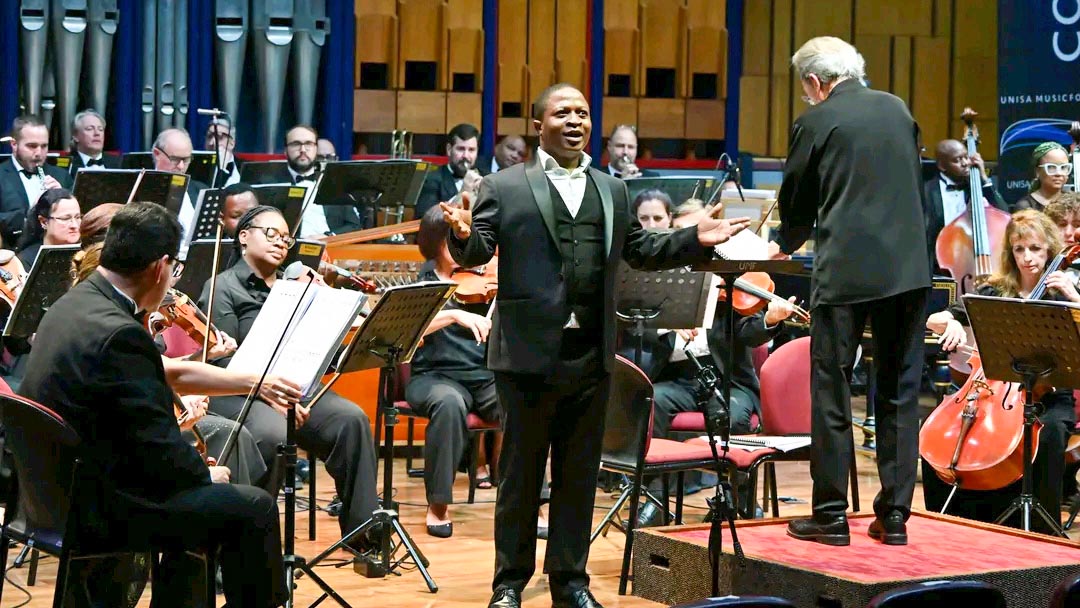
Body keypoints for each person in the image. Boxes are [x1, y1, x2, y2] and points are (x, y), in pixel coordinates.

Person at [441, 82, 750, 608]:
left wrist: (692, 238)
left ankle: (571, 582)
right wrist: (461, 234)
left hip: (590, 354)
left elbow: (640, 249)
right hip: (526, 356)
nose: (576, 121)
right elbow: (476, 248)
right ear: (539, 125)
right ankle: (509, 584)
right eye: (563, 113)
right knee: (519, 477)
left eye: (583, 113)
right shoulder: (504, 185)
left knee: (578, 476)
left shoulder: (612, 189)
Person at [18, 202, 285, 607]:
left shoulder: (71, 305)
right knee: (254, 508)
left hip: (50, 492)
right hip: (102, 506)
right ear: (161, 266)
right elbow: (157, 451)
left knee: (208, 495)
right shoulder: (122, 334)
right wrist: (202, 475)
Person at [766, 37, 931, 547]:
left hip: (845, 274)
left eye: (805, 89)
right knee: (901, 391)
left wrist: (781, 243)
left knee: (833, 389)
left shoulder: (815, 121)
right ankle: (897, 515)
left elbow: (796, 200)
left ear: (815, 83)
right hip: (909, 271)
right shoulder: (899, 109)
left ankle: (832, 514)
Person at [200, 204, 380, 552]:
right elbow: (225, 360)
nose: (281, 243)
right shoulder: (222, 287)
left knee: (352, 420)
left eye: (286, 238)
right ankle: (245, 550)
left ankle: (361, 533)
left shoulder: (296, 287)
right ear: (243, 237)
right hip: (240, 390)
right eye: (271, 234)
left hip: (294, 385)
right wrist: (270, 394)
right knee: (270, 434)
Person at [925, 210, 1077, 533]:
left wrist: (1075, 298)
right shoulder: (995, 291)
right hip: (991, 391)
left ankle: (1042, 530)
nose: (1027, 258)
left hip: (1050, 398)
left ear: (1049, 249)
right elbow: (935, 317)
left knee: (1048, 434)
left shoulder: (1061, 295)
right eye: (1019, 249)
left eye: (1035, 249)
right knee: (941, 439)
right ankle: (960, 523)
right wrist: (949, 322)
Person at [404, 206, 499, 538]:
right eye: (455, 240)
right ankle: (438, 504)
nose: (464, 247)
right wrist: (454, 316)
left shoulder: (484, 280)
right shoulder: (424, 282)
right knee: (448, 405)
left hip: (483, 375)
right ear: (434, 243)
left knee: (524, 403)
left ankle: (536, 503)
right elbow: (409, 329)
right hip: (434, 377)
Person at [923, 138, 1010, 274]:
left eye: (966, 157)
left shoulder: (977, 186)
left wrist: (983, 178)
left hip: (976, 261)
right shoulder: (927, 191)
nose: (965, 164)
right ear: (942, 166)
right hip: (939, 266)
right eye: (957, 160)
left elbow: (1003, 214)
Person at [0, 114, 72, 245]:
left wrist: (63, 198)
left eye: (44, 146)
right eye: (32, 146)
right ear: (14, 144)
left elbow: (79, 218)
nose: (39, 153)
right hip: (12, 252)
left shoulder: (62, 176)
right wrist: (30, 213)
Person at [417, 123, 488, 217]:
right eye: (461, 149)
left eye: (471, 150)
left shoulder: (487, 177)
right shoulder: (430, 179)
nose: (466, 156)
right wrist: (463, 192)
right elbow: (426, 217)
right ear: (449, 149)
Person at [16, 187, 82, 269]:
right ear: (43, 222)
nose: (74, 225)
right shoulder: (25, 262)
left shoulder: (87, 253)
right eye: (65, 219)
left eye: (78, 217)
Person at [1013, 142, 1072, 212]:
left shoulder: (1073, 203)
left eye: (1063, 167)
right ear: (1037, 172)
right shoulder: (1025, 207)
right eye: (1051, 167)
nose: (1058, 173)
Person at [68, 109, 121, 174]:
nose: (97, 133)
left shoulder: (119, 163)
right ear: (75, 136)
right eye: (90, 129)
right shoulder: (67, 165)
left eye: (100, 129)